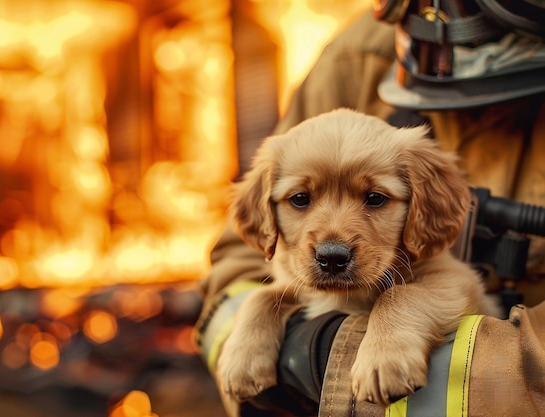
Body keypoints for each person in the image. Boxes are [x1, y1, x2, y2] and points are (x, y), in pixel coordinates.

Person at [194, 1, 545, 416]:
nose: (333, 242)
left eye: (375, 198)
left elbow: (453, 289)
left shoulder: (426, 255)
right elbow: (239, 264)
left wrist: (389, 320)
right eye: (300, 200)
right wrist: (272, 325)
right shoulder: (359, 54)